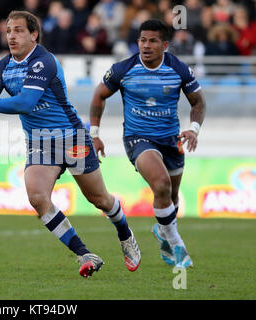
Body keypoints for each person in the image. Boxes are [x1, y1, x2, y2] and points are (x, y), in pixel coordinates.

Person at [0, 10, 141, 278]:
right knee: (37, 197)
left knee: (100, 199)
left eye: (18, 30)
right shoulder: (2, 67)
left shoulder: (44, 62)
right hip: (40, 142)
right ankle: (85, 254)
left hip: (71, 138)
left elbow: (23, 103)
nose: (11, 36)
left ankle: (124, 233)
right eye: (8, 31)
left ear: (34, 34)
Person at [88, 19, 206, 269]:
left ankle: (162, 231)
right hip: (138, 138)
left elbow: (198, 102)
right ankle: (176, 244)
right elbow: (99, 95)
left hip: (171, 139)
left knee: (171, 197)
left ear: (165, 45)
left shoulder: (179, 69)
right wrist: (95, 134)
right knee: (161, 183)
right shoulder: (123, 69)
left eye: (153, 41)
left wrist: (194, 129)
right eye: (142, 40)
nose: (146, 45)